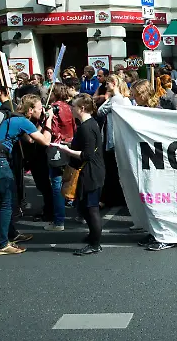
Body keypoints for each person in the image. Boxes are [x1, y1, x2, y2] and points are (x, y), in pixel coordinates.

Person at [0, 88, 52, 255]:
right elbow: (45, 141)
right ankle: (1, 244)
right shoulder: (23, 121)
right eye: (39, 108)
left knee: (10, 199)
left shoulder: (14, 117)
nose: (42, 110)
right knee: (7, 202)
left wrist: (40, 123)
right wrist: (48, 120)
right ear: (30, 110)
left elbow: (29, 139)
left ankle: (11, 234)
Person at [53, 93, 106, 255]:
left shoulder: (86, 127)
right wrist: (68, 144)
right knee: (85, 206)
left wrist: (66, 150)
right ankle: (92, 236)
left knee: (91, 208)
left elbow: (87, 155)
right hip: (91, 170)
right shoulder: (89, 124)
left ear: (82, 108)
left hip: (90, 172)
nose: (71, 109)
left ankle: (95, 244)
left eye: (73, 107)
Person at [43, 83, 76, 230]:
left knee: (57, 184)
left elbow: (53, 130)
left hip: (57, 146)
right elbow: (74, 126)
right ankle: (82, 215)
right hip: (70, 144)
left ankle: (59, 221)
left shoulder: (53, 108)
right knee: (73, 180)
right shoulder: (69, 107)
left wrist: (47, 118)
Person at [97, 75, 130, 208]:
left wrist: (108, 98)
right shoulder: (121, 99)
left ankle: (108, 198)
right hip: (114, 136)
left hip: (113, 138)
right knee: (114, 169)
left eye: (107, 84)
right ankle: (116, 197)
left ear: (114, 83)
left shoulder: (116, 99)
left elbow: (100, 111)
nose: (106, 86)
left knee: (111, 169)